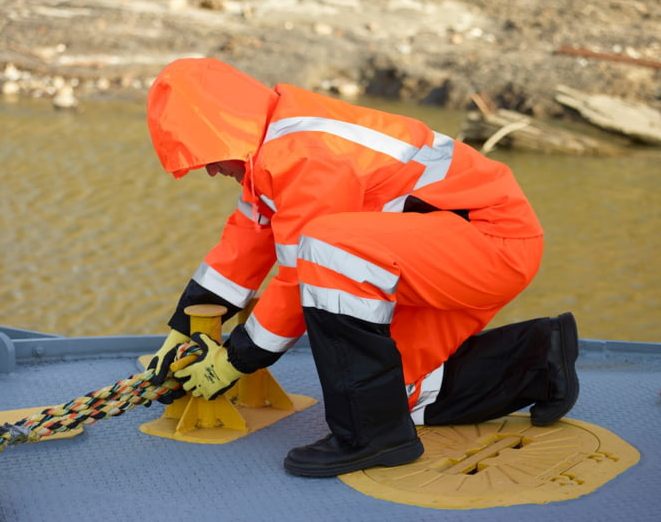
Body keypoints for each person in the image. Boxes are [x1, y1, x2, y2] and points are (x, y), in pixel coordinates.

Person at [142, 57, 579, 478]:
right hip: (445, 247)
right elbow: (245, 244)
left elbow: (299, 278)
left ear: (228, 129)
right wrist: (184, 329)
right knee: (397, 395)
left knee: (326, 249)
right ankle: (538, 359)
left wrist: (236, 360)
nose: (211, 171)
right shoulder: (271, 151)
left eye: (208, 156)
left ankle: (369, 437)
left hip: (490, 244)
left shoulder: (304, 154)